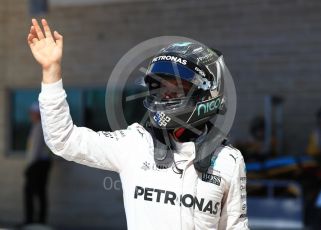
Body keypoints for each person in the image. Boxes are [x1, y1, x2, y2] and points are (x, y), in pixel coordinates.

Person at [27, 18, 248, 229]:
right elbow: (63, 140)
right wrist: (51, 71)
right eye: (160, 89)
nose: (165, 97)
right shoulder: (136, 144)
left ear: (206, 94)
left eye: (176, 90)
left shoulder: (228, 161)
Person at [24, 102, 52, 224]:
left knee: (30, 192)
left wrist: (29, 166)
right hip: (42, 163)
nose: (31, 115)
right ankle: (40, 221)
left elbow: (35, 149)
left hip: (37, 164)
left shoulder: (39, 127)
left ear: (37, 114)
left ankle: (31, 221)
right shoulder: (41, 126)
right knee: (40, 192)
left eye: (32, 113)